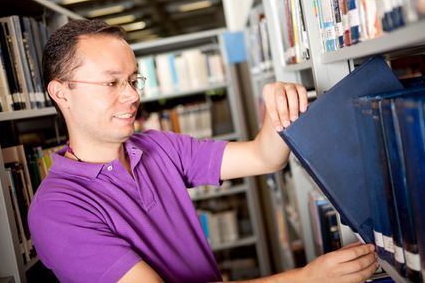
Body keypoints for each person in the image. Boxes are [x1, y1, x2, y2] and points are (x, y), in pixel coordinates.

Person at [28, 19, 378, 283]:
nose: (133, 95)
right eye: (111, 82)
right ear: (62, 93)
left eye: (133, 80)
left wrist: (278, 106)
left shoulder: (157, 145)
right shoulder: (57, 211)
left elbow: (264, 156)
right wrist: (306, 278)